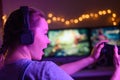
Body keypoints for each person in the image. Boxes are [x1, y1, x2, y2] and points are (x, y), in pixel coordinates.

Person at [0, 6, 119, 80]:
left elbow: (54, 74)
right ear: (27, 36)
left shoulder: (4, 68)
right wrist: (118, 72)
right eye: (45, 33)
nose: (48, 40)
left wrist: (91, 59)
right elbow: (48, 73)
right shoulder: (43, 71)